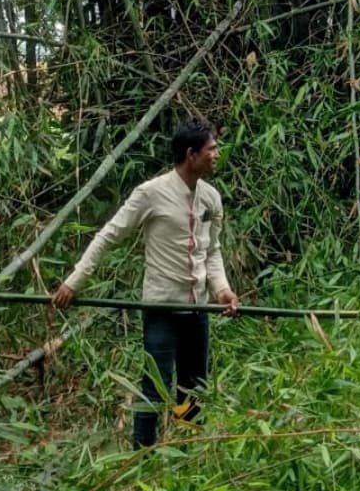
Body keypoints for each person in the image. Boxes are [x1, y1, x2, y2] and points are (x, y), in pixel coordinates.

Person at [51, 119, 240, 447]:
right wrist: (74, 281)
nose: (217, 154)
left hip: (198, 311)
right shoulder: (151, 194)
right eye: (211, 149)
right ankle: (144, 454)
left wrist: (222, 290)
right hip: (161, 309)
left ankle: (185, 447)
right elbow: (109, 235)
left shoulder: (211, 198)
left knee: (193, 387)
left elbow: (212, 252)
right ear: (190, 154)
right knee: (155, 384)